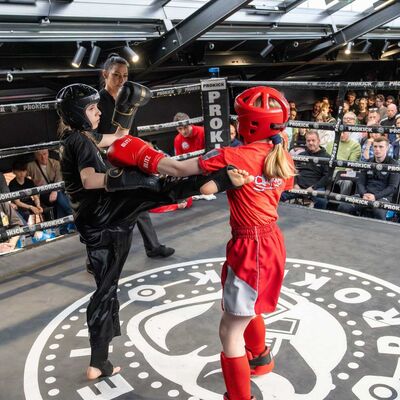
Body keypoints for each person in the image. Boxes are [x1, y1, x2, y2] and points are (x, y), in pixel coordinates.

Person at [56, 82, 252, 381]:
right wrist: (122, 177)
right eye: (92, 109)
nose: (97, 112)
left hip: (103, 218)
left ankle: (99, 362)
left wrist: (128, 109)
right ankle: (217, 179)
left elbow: (119, 136)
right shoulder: (78, 142)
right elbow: (87, 179)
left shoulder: (85, 136)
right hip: (102, 216)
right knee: (153, 187)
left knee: (107, 286)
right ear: (77, 113)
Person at [108, 86, 295, 400]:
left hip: (251, 248)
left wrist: (138, 151)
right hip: (271, 242)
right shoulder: (282, 154)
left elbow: (179, 169)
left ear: (250, 123)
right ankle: (261, 359)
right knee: (250, 308)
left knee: (229, 330)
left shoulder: (234, 155)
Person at [96, 53, 174, 258]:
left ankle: (153, 246)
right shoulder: (97, 103)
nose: (121, 80)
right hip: (104, 160)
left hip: (128, 156)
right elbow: (91, 136)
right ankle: (96, 256)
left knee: (138, 199)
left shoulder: (129, 98)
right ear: (105, 74)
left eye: (125, 76)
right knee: (105, 210)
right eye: (116, 75)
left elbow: (133, 133)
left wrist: (144, 149)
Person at [338, 136, 400, 220]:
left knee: (379, 212)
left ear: (387, 148)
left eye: (381, 147)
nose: (377, 149)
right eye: (375, 146)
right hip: (364, 195)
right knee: (343, 206)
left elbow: (392, 187)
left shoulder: (394, 165)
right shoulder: (367, 162)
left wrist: (375, 197)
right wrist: (364, 194)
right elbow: (360, 182)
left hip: (383, 198)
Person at [281, 130, 330, 209]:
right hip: (298, 186)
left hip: (315, 187)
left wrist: (313, 188)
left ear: (319, 141)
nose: (310, 143)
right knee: (278, 195)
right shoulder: (301, 155)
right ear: (306, 142)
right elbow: (294, 171)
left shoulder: (326, 157)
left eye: (313, 140)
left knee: (322, 201)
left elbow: (327, 177)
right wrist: (295, 184)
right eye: (308, 141)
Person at [27, 149, 73, 221]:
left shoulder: (55, 163)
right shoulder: (31, 166)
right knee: (60, 197)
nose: (43, 157)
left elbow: (59, 178)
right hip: (43, 194)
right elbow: (23, 176)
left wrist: (55, 191)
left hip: (57, 190)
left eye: (45, 154)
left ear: (48, 153)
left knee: (59, 199)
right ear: (36, 156)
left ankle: (62, 227)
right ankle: (73, 215)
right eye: (39, 155)